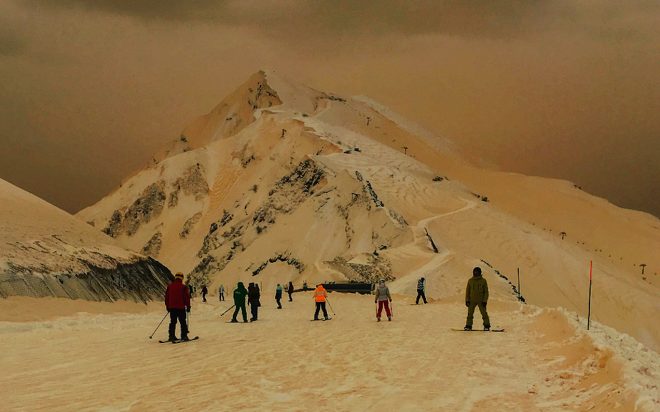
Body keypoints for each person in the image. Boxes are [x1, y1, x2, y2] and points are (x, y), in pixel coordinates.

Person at [165, 272, 191, 341]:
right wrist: (188, 306)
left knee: (173, 322)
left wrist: (167, 306)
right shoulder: (183, 287)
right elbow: (186, 297)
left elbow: (167, 297)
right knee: (182, 322)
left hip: (172, 307)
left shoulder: (170, 286)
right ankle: (184, 336)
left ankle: (171, 336)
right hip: (180, 307)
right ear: (182, 278)